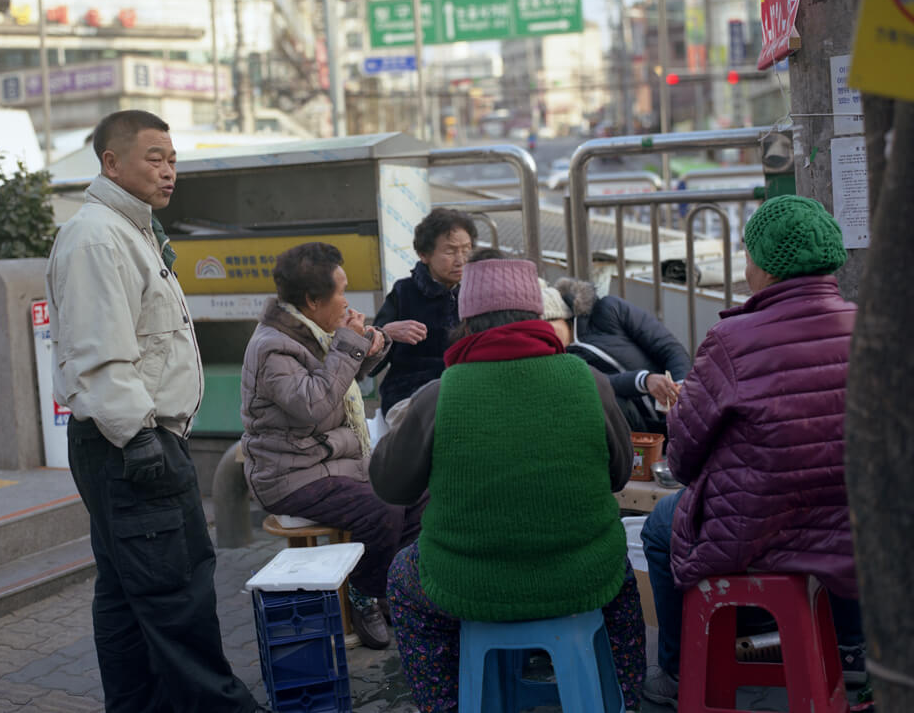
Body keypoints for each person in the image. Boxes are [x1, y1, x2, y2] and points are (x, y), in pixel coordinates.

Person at [45, 110, 257, 712]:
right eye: (153, 158)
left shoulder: (129, 229)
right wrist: (142, 440)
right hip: (131, 443)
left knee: (127, 593)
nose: (168, 171)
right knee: (175, 592)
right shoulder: (97, 236)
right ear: (111, 162)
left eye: (172, 159)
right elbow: (99, 356)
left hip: (128, 440)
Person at [370, 258, 646, 713]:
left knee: (403, 579)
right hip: (583, 575)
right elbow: (619, 476)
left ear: (466, 322)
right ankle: (625, 697)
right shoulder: (588, 381)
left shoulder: (441, 394)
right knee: (619, 581)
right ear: (538, 317)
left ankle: (451, 705)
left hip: (469, 584)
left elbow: (391, 487)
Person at [640, 195, 864, 707]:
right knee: (837, 510)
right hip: (859, 522)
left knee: (660, 527)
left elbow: (682, 459)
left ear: (763, 264)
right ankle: (850, 650)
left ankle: (678, 671)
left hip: (759, 527)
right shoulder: (871, 326)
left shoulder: (731, 339)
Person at [240, 241, 427, 650]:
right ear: (311, 300)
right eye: (341, 291)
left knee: (416, 489)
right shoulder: (273, 345)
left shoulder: (315, 331)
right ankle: (364, 592)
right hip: (289, 476)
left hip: (333, 463)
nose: (347, 300)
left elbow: (338, 379)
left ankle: (394, 586)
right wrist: (348, 343)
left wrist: (371, 344)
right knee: (383, 507)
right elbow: (313, 404)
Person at [372, 208, 477, 416]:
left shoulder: (480, 291)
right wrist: (385, 333)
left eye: (466, 250)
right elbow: (370, 368)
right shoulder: (404, 293)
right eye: (450, 251)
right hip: (410, 395)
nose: (460, 260)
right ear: (424, 255)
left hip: (468, 390)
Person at [554, 276, 691, 435]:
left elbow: (669, 348)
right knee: (607, 400)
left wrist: (681, 391)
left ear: (562, 314)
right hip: (637, 433)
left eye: (549, 321)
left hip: (683, 416)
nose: (547, 330)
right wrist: (643, 381)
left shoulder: (608, 309)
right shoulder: (557, 361)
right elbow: (596, 383)